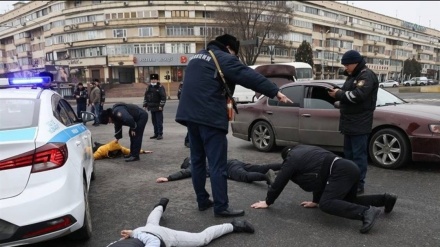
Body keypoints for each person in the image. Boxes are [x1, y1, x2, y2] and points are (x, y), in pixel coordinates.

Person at [175, 33, 293, 218]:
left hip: (190, 117)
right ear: (229, 48)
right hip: (210, 118)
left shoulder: (196, 58)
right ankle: (221, 207)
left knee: (197, 161)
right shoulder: (223, 57)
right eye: (234, 53)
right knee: (217, 164)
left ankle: (202, 200)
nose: (234, 57)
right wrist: (275, 92)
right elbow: (248, 75)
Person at [251, 145, 398, 234]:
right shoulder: (305, 150)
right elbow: (319, 175)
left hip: (339, 171)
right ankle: (385, 199)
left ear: (286, 157)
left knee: (327, 204)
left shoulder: (291, 159)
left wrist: (268, 201)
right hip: (349, 167)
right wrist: (315, 201)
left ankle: (365, 212)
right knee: (348, 201)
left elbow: (280, 181)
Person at [327, 50, 379, 194]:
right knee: (348, 156)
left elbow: (358, 96)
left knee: (358, 157)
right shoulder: (353, 76)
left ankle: (358, 184)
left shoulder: (366, 75)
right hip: (349, 123)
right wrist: (337, 94)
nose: (345, 68)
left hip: (360, 124)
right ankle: (349, 181)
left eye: (347, 65)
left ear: (355, 63)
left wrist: (339, 94)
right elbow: (346, 94)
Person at [107, 198, 255, 247]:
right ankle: (160, 205)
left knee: (200, 239)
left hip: (159, 237)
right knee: (151, 222)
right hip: (142, 232)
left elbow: (152, 240)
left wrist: (134, 234)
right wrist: (133, 233)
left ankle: (234, 225)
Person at [156, 157, 280, 186]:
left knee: (245, 176)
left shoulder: (194, 165)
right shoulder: (201, 156)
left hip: (228, 168)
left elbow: (184, 173)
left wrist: (169, 178)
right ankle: (285, 165)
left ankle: (266, 177)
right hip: (232, 161)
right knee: (259, 166)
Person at [143, 74, 166, 140]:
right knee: (154, 121)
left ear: (157, 80)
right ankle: (155, 134)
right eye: (152, 79)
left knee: (159, 121)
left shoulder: (160, 87)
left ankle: (160, 134)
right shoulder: (148, 87)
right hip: (151, 107)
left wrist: (161, 106)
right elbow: (146, 96)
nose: (153, 80)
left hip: (158, 107)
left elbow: (163, 97)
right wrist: (145, 104)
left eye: (155, 79)